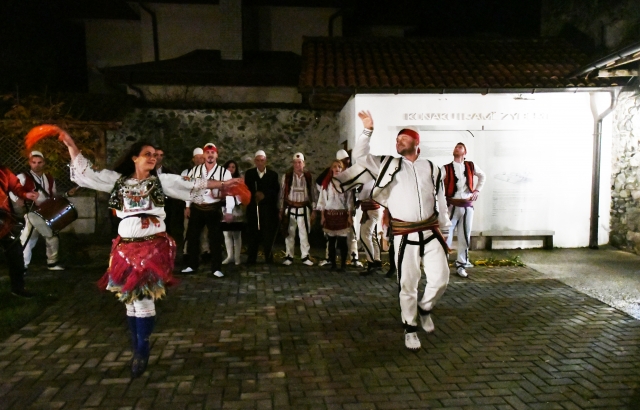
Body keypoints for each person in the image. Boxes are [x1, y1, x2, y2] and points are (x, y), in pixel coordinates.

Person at [59, 131, 239, 378]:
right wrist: (71, 144)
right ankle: (137, 345)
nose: (153, 158)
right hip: (125, 250)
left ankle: (141, 350)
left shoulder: (161, 182)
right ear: (134, 158)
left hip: (152, 249)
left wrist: (223, 185)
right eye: (147, 154)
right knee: (130, 300)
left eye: (155, 155)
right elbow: (87, 174)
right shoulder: (118, 182)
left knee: (143, 299)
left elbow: (190, 185)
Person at [334, 111, 451, 351]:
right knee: (408, 283)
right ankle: (410, 328)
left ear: (416, 142)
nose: (398, 142)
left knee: (441, 279)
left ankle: (425, 308)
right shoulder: (388, 164)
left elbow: (441, 199)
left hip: (431, 230)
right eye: (397, 139)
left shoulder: (433, 168)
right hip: (404, 234)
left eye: (403, 138)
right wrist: (367, 130)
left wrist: (445, 226)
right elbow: (361, 157)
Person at [182, 143, 232, 277]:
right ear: (204, 155)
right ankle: (192, 265)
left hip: (213, 208)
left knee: (215, 239)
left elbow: (230, 192)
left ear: (217, 155)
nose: (210, 155)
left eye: (212, 153)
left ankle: (216, 268)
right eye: (207, 153)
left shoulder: (224, 172)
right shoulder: (195, 171)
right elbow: (188, 189)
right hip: (197, 207)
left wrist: (229, 211)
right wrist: (187, 206)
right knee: (192, 237)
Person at [13, 151, 65, 271]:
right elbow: (12, 189)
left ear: (44, 163)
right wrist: (17, 199)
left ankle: (28, 264)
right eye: (34, 162)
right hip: (31, 211)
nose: (36, 165)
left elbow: (53, 194)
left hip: (45, 212)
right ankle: (26, 264)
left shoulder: (49, 178)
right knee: (32, 237)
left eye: (39, 162)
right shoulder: (22, 177)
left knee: (35, 237)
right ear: (29, 163)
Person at [442, 143, 486, 278]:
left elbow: (483, 176)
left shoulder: (471, 165)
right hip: (451, 206)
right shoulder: (446, 168)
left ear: (465, 152)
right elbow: (436, 182)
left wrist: (477, 190)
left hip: (467, 206)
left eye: (460, 147)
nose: (456, 148)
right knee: (446, 236)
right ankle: (442, 266)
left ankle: (461, 265)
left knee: (464, 237)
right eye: (455, 147)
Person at [316, 149, 362, 268]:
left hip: (342, 214)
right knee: (331, 241)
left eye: (339, 167)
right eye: (335, 166)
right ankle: (332, 263)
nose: (337, 169)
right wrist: (322, 216)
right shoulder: (327, 183)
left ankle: (344, 264)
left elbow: (349, 200)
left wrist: (350, 215)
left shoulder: (346, 184)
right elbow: (322, 200)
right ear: (332, 169)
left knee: (343, 242)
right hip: (330, 214)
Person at [1, 165, 39, 297]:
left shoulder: (3, 172)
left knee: (16, 254)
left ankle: (18, 288)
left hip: (4, 221)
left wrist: (25, 194)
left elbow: (16, 187)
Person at [279, 152, 315, 266]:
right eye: (295, 162)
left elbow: (312, 193)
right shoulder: (287, 177)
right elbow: (282, 194)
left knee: (304, 234)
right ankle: (289, 256)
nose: (297, 165)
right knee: (289, 233)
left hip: (303, 208)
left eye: (299, 162)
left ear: (303, 163)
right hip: (290, 208)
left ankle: (305, 256)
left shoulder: (308, 177)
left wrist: (314, 210)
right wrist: (281, 209)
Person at [244, 150, 279, 265]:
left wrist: (264, 195)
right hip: (253, 209)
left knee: (267, 235)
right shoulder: (249, 174)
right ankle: (251, 258)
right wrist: (254, 194)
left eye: (262, 160)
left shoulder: (273, 175)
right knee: (253, 234)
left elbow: (275, 191)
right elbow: (246, 189)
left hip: (268, 210)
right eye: (258, 161)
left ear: (265, 161)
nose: (260, 163)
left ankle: (269, 258)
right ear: (255, 161)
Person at [180, 148, 209, 263]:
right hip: (190, 205)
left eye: (201, 158)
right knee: (188, 229)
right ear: (193, 159)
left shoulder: (208, 172)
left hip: (204, 205)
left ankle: (205, 251)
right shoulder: (186, 173)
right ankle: (187, 252)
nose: (199, 160)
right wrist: (187, 207)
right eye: (197, 158)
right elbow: (185, 190)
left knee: (204, 231)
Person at [221, 160, 244, 266]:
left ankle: (237, 257)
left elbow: (243, 194)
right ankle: (229, 256)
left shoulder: (239, 180)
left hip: (236, 209)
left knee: (237, 234)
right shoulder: (221, 180)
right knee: (227, 233)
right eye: (229, 167)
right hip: (224, 208)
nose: (231, 169)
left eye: (233, 167)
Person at [358, 179, 384, 275]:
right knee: (372, 236)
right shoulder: (371, 179)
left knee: (365, 236)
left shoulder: (369, 180)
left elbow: (363, 195)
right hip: (372, 210)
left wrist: (357, 195)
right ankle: (377, 261)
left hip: (371, 210)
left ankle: (371, 262)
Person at [154, 147, 179, 237]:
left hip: (166, 204)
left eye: (161, 155)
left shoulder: (169, 172)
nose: (159, 157)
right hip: (152, 204)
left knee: (166, 227)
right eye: (156, 155)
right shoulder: (147, 172)